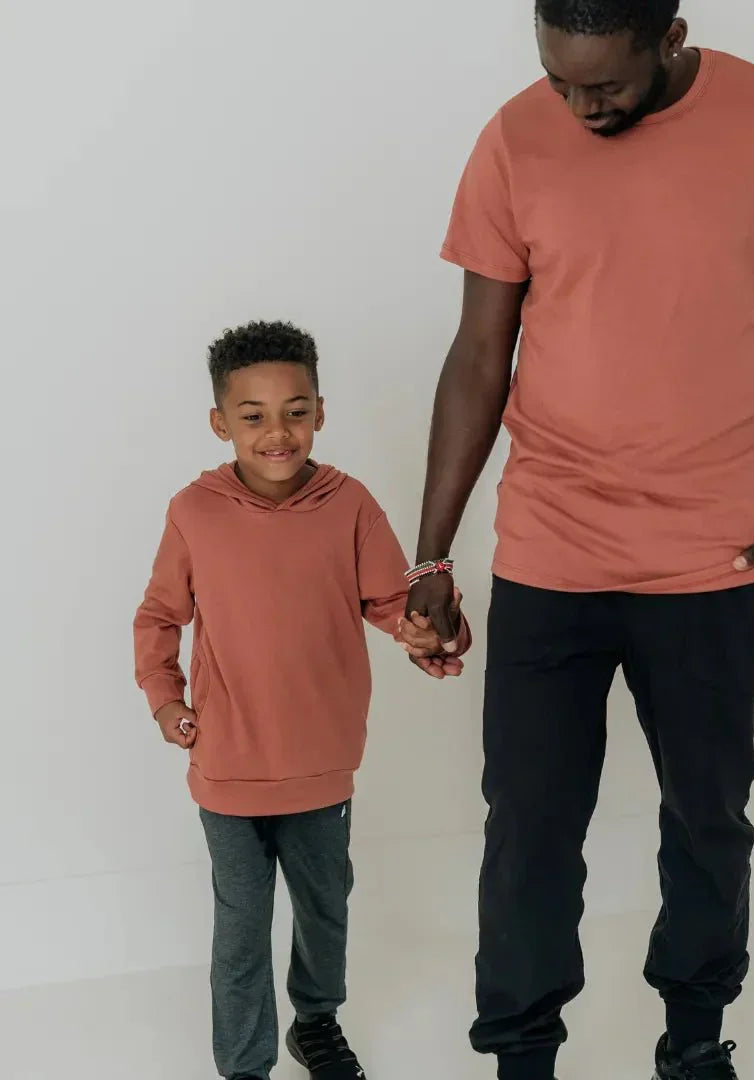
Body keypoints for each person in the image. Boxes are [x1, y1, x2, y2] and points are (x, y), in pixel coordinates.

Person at [405, 2, 754, 1077]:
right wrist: (431, 555)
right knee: (528, 829)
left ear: (670, 36)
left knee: (707, 818)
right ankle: (522, 1054)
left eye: (603, 85)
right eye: (559, 80)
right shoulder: (517, 138)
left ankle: (695, 1041)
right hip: (551, 551)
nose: (578, 104)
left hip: (718, 561)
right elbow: (480, 354)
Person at [134, 320, 470, 1080]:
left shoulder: (349, 504)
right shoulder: (194, 512)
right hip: (228, 762)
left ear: (321, 410)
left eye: (295, 409)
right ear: (222, 424)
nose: (276, 431)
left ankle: (316, 1022)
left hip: (322, 762)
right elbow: (158, 617)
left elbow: (394, 602)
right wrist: (166, 700)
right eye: (252, 416)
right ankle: (246, 1063)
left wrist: (428, 635)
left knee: (325, 911)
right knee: (241, 926)